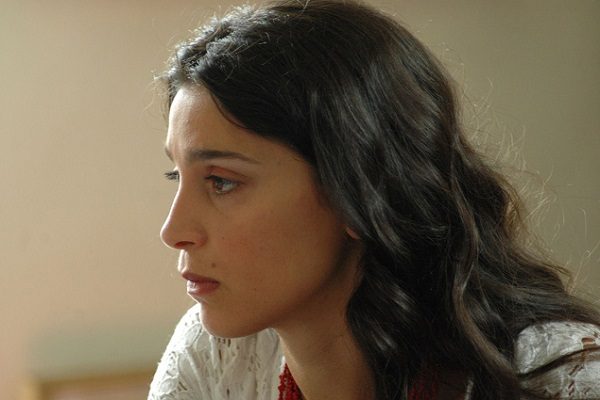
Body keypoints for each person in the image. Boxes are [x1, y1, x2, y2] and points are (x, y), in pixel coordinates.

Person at [147, 1, 600, 399]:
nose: (173, 232)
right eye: (176, 175)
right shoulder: (213, 355)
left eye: (222, 182)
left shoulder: (565, 379)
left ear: (358, 190)